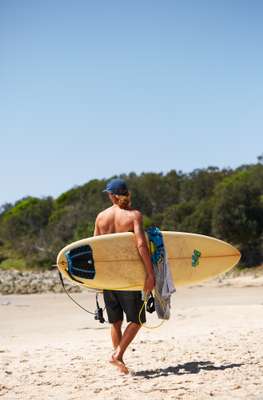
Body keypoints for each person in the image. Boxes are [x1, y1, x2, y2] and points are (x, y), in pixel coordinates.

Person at [93, 178, 155, 374]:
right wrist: (150, 273)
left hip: (108, 278)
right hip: (128, 278)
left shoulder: (101, 217)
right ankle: (117, 355)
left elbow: (95, 249)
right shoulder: (134, 215)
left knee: (116, 322)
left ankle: (119, 364)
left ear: (112, 195)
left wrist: (97, 279)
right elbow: (141, 244)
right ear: (126, 194)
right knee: (137, 320)